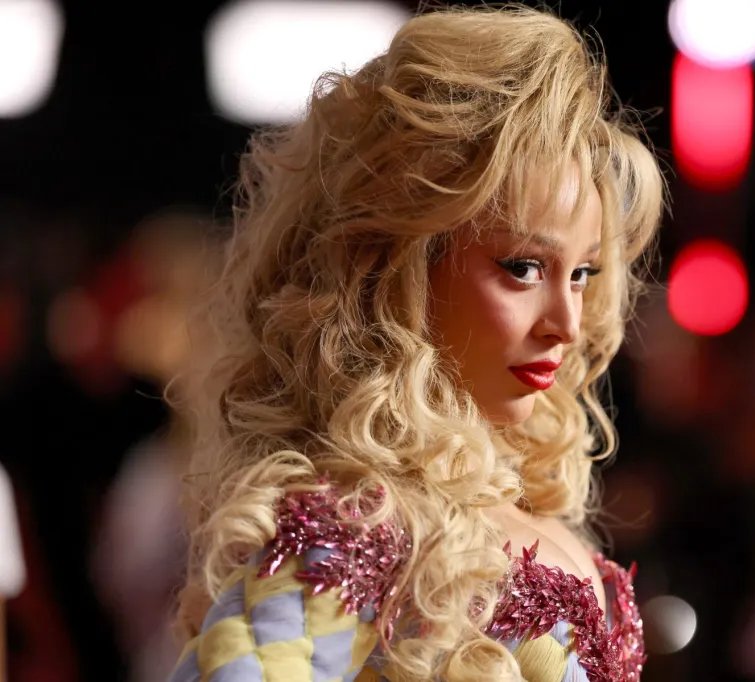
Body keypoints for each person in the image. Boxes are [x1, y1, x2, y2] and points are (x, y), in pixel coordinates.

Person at [168, 5, 664, 682]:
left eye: (582, 275)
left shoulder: (507, 513)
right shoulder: (360, 527)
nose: (567, 323)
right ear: (401, 267)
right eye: (523, 268)